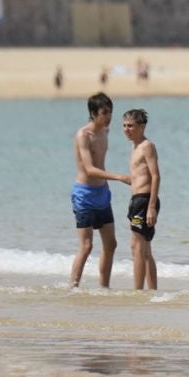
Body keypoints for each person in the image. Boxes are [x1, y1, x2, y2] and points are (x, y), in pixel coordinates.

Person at [70, 93, 130, 288]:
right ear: (93, 113)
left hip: (102, 193)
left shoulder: (105, 131)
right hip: (84, 194)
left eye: (110, 112)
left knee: (111, 244)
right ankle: (73, 288)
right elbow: (89, 169)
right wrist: (120, 177)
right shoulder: (83, 135)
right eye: (104, 113)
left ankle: (104, 288)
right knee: (86, 246)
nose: (108, 117)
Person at [121, 108, 161, 292]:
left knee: (137, 247)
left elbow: (156, 176)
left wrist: (151, 207)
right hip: (137, 201)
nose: (126, 129)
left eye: (131, 126)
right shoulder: (135, 146)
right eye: (124, 126)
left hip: (144, 202)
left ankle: (137, 293)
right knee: (144, 250)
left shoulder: (147, 146)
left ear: (142, 126)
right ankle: (152, 292)